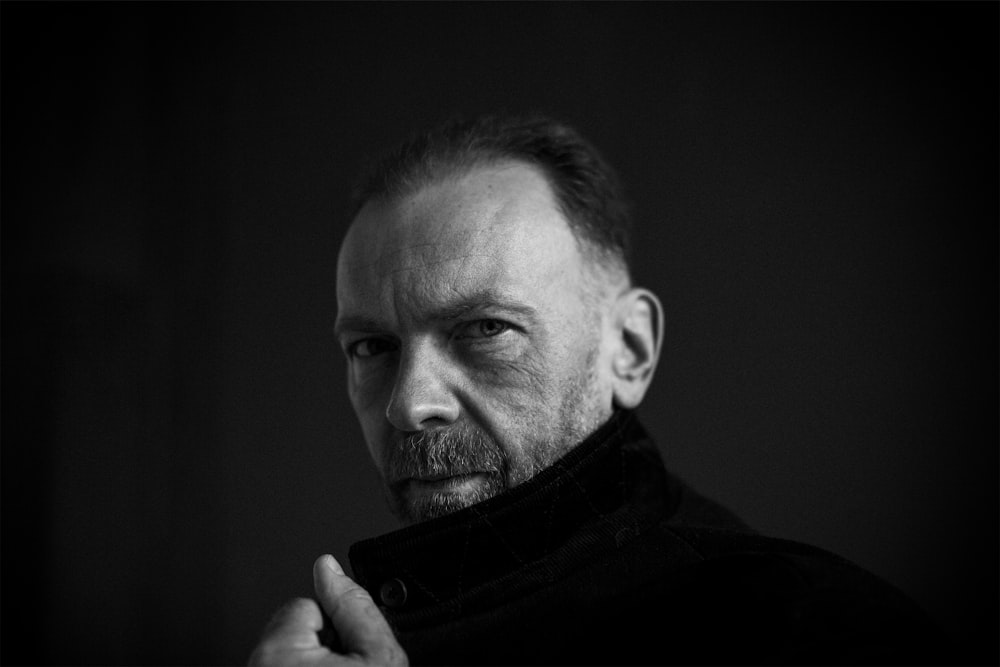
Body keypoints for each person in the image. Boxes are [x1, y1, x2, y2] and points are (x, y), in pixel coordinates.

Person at [250, 114, 950, 665]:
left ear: (629, 348)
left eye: (485, 328)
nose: (409, 404)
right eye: (371, 346)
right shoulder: (330, 646)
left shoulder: (820, 635)